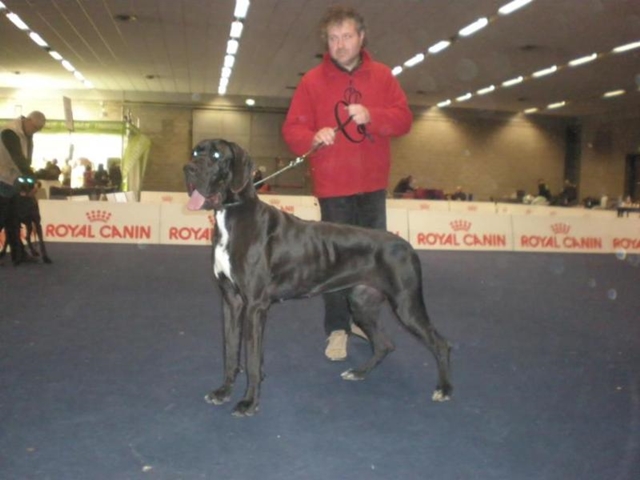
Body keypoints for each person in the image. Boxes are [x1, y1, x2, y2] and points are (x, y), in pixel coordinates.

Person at [282, 5, 412, 361]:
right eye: (333, 38)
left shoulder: (383, 76)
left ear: (361, 37)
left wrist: (374, 116)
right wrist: (312, 136)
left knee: (373, 262)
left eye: (346, 36)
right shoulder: (311, 81)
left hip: (372, 188)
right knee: (334, 263)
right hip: (333, 188)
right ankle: (337, 328)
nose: (339, 44)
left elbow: (403, 120)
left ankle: (364, 321)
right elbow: (291, 129)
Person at [0, 110, 46, 265]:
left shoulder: (27, 135)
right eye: (34, 128)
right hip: (1, 179)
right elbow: (18, 159)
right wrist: (32, 182)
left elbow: (26, 161)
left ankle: (18, 254)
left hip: (10, 180)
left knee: (13, 219)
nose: (34, 131)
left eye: (38, 130)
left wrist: (26, 183)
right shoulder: (10, 132)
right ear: (27, 120)